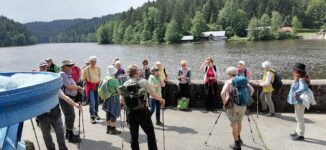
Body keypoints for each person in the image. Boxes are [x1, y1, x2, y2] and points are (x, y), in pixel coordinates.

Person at [37, 62, 81, 150]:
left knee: (60, 133)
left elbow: (64, 97)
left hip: (55, 114)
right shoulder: (37, 88)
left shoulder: (54, 87)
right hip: (42, 116)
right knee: (46, 136)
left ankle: (63, 148)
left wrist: (75, 104)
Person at [120, 65, 165, 150]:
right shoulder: (143, 82)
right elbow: (153, 94)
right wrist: (161, 100)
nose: (140, 72)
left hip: (131, 113)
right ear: (136, 73)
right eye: (138, 71)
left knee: (134, 137)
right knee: (150, 135)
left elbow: (122, 101)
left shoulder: (125, 84)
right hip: (143, 112)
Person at [221, 67, 254, 150]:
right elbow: (252, 90)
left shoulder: (229, 81)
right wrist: (246, 98)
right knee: (239, 122)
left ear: (229, 74)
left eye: (227, 74)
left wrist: (225, 102)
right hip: (243, 105)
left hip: (232, 105)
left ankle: (236, 144)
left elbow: (222, 93)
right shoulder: (242, 80)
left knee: (233, 124)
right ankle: (239, 138)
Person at [59, 60, 83, 143]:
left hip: (70, 98)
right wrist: (79, 88)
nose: (71, 67)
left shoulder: (67, 74)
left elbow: (71, 85)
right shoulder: (62, 74)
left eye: (72, 65)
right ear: (64, 67)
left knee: (69, 116)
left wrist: (77, 88)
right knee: (71, 116)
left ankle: (69, 134)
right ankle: (70, 137)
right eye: (69, 66)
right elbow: (68, 86)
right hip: (66, 98)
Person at [288, 63, 311, 141]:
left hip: (299, 102)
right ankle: (297, 131)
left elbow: (303, 88)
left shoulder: (301, 79)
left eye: (295, 70)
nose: (293, 72)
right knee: (298, 117)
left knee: (300, 118)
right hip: (298, 102)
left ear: (299, 73)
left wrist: (296, 93)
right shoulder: (300, 79)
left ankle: (301, 135)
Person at [81, 56, 101, 124]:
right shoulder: (86, 69)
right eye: (92, 61)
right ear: (89, 62)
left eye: (94, 62)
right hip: (90, 86)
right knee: (92, 102)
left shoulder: (98, 68)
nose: (93, 63)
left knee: (97, 101)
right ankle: (92, 116)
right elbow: (83, 79)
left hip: (97, 85)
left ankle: (96, 113)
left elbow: (99, 76)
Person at [102, 65, 122, 135]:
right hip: (114, 97)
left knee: (108, 112)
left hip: (107, 97)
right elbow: (118, 91)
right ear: (114, 72)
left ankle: (108, 129)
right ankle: (113, 130)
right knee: (114, 112)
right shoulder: (114, 80)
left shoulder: (105, 78)